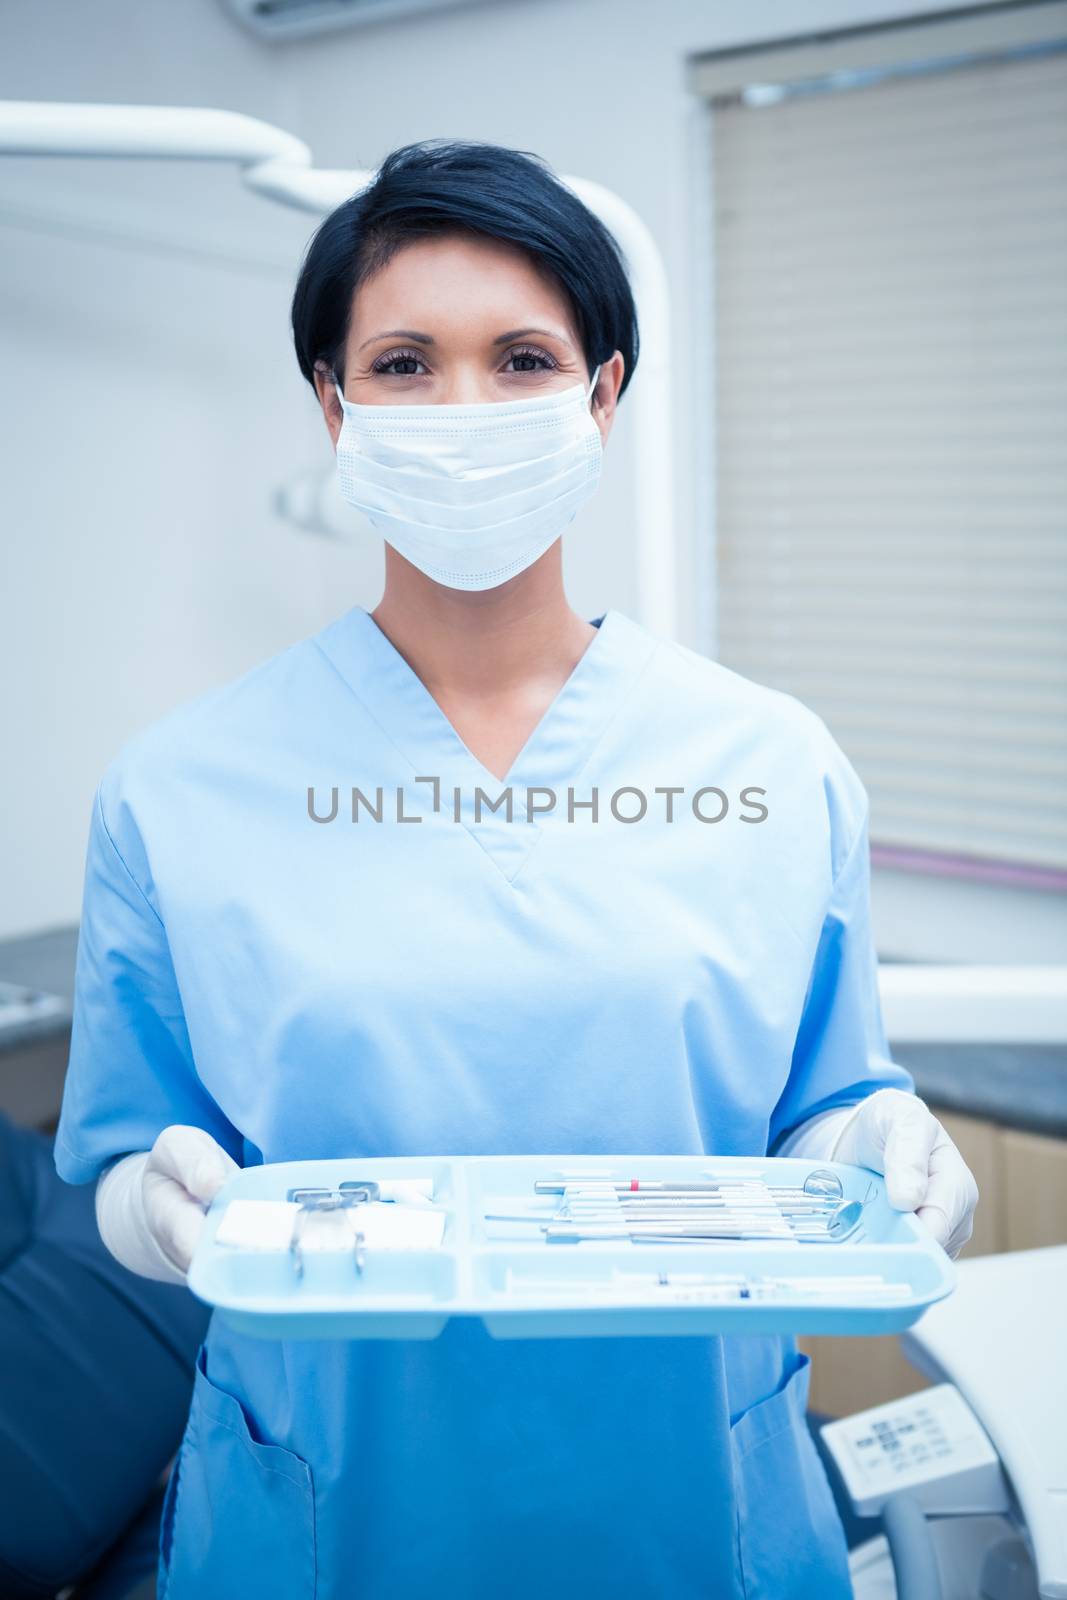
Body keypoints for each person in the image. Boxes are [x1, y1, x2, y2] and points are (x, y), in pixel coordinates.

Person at [53, 139, 978, 1599]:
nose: (464, 407)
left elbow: (823, 1100)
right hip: (328, 1508)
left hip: (691, 1500)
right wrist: (150, 1211)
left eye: (524, 358)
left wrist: (873, 1151)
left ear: (603, 397)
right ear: (333, 404)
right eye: (407, 362)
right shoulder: (179, 790)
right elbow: (123, 1147)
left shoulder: (773, 764)